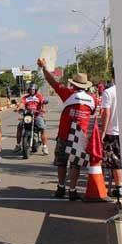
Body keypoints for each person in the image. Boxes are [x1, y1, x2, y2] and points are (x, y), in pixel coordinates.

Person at [37, 58, 96, 200]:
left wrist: (44, 68)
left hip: (64, 134)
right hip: (80, 136)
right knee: (75, 164)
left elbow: (52, 82)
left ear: (74, 85)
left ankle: (61, 187)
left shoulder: (67, 93)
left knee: (62, 162)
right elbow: (92, 113)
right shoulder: (93, 99)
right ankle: (73, 190)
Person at [101, 69, 122, 198]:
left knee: (116, 160)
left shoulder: (109, 92)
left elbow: (106, 113)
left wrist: (103, 131)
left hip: (113, 131)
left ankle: (119, 188)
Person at [13, 83, 49, 155]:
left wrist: (43, 108)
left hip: (37, 115)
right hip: (28, 116)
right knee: (19, 126)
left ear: (35, 90)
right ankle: (18, 145)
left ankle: (45, 147)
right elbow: (21, 104)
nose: (32, 91)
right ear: (28, 90)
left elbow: (43, 103)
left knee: (42, 127)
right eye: (30, 89)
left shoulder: (39, 96)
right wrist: (18, 108)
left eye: (33, 89)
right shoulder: (25, 97)